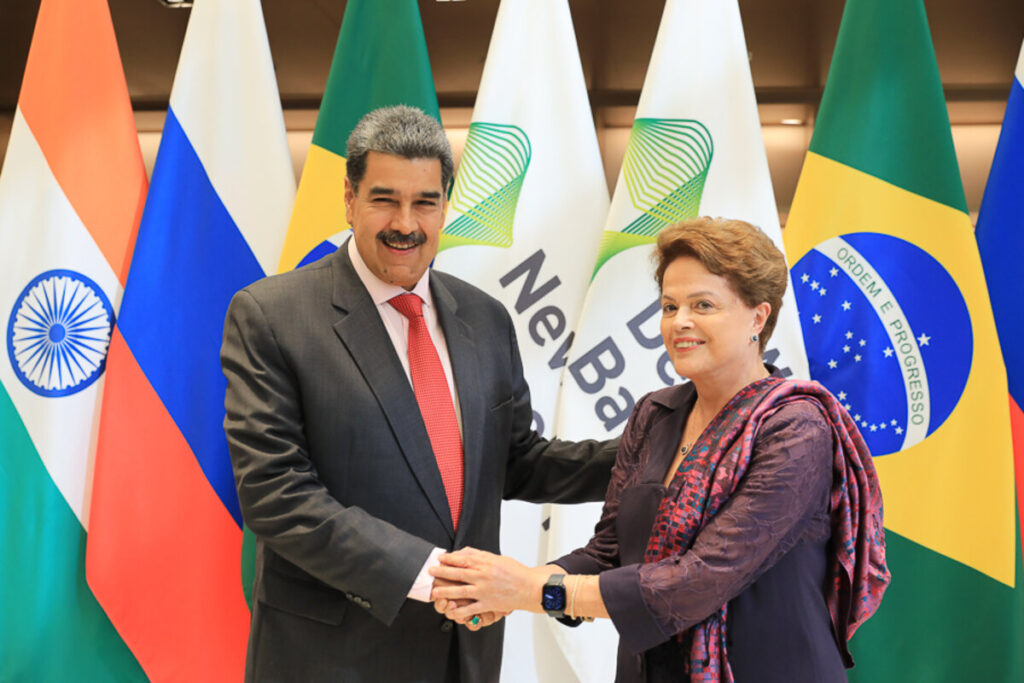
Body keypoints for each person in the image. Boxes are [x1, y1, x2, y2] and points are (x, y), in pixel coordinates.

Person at [220, 105, 617, 683]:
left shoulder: (485, 318)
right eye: (384, 199)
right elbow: (275, 494)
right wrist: (434, 575)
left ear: (445, 204)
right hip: (332, 659)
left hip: (465, 655)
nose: (405, 222)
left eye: (425, 202)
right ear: (349, 198)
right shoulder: (271, 316)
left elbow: (515, 462)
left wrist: (655, 447)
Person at [430, 217, 890, 682]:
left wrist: (537, 590)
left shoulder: (796, 430)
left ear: (758, 316)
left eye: (703, 305)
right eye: (670, 306)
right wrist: (502, 590)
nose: (680, 322)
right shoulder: (656, 414)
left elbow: (699, 579)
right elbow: (611, 551)